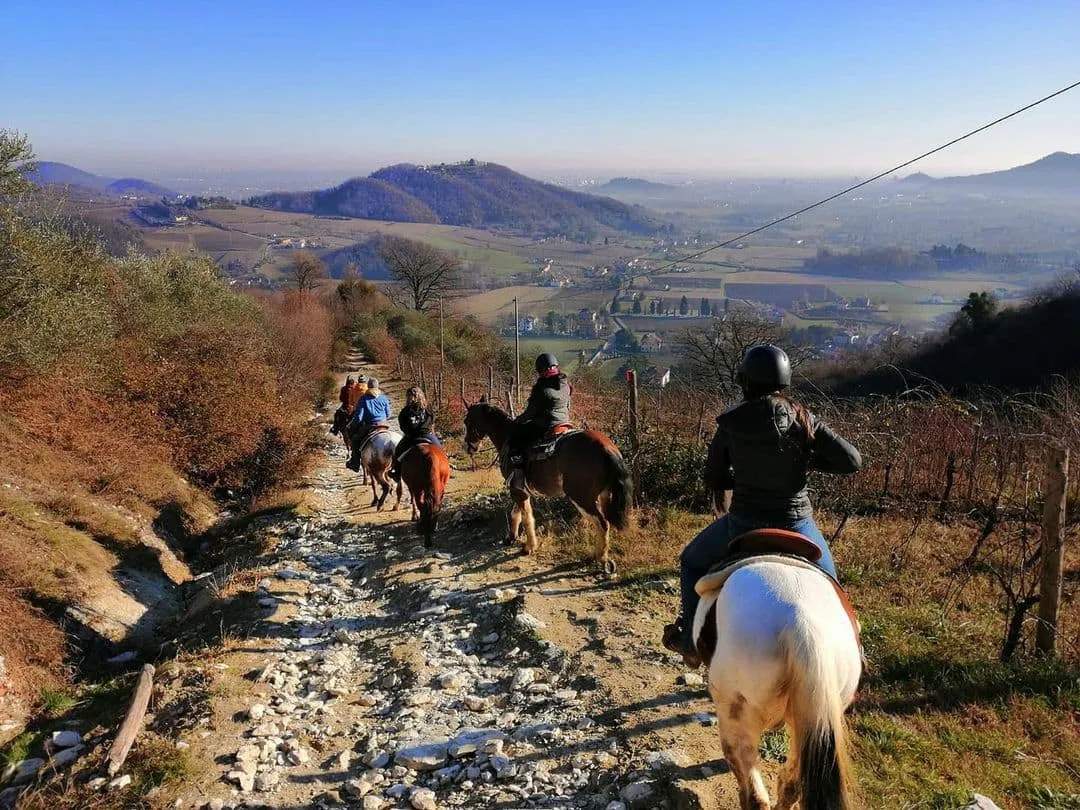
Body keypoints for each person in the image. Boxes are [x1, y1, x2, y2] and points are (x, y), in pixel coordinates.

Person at [662, 344, 862, 667]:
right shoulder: (803, 417)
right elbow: (852, 461)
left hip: (743, 524)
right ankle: (854, 649)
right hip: (798, 524)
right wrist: (806, 463)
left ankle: (689, 643)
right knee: (833, 587)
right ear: (784, 381)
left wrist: (743, 476)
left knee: (691, 561)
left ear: (745, 381)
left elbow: (713, 476)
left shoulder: (730, 423)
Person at [505, 352, 572, 489]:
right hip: (565, 423)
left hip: (547, 426)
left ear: (541, 370)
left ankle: (519, 477)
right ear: (556, 367)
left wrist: (517, 422)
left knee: (516, 441)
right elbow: (568, 406)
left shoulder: (542, 389)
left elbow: (530, 413)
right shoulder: (566, 386)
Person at [388, 386, 442, 481]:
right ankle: (445, 467)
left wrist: (409, 432)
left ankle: (396, 470)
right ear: (421, 396)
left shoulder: (405, 411)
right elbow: (432, 422)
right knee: (440, 451)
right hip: (427, 435)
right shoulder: (428, 409)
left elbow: (403, 426)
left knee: (398, 451)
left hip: (412, 437)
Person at [346, 377, 393, 471]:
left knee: (355, 440)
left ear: (368, 387)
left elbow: (359, 417)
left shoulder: (364, 398)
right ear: (378, 386)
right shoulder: (383, 398)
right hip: (383, 425)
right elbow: (388, 414)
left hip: (370, 425)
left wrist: (353, 425)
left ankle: (355, 463)